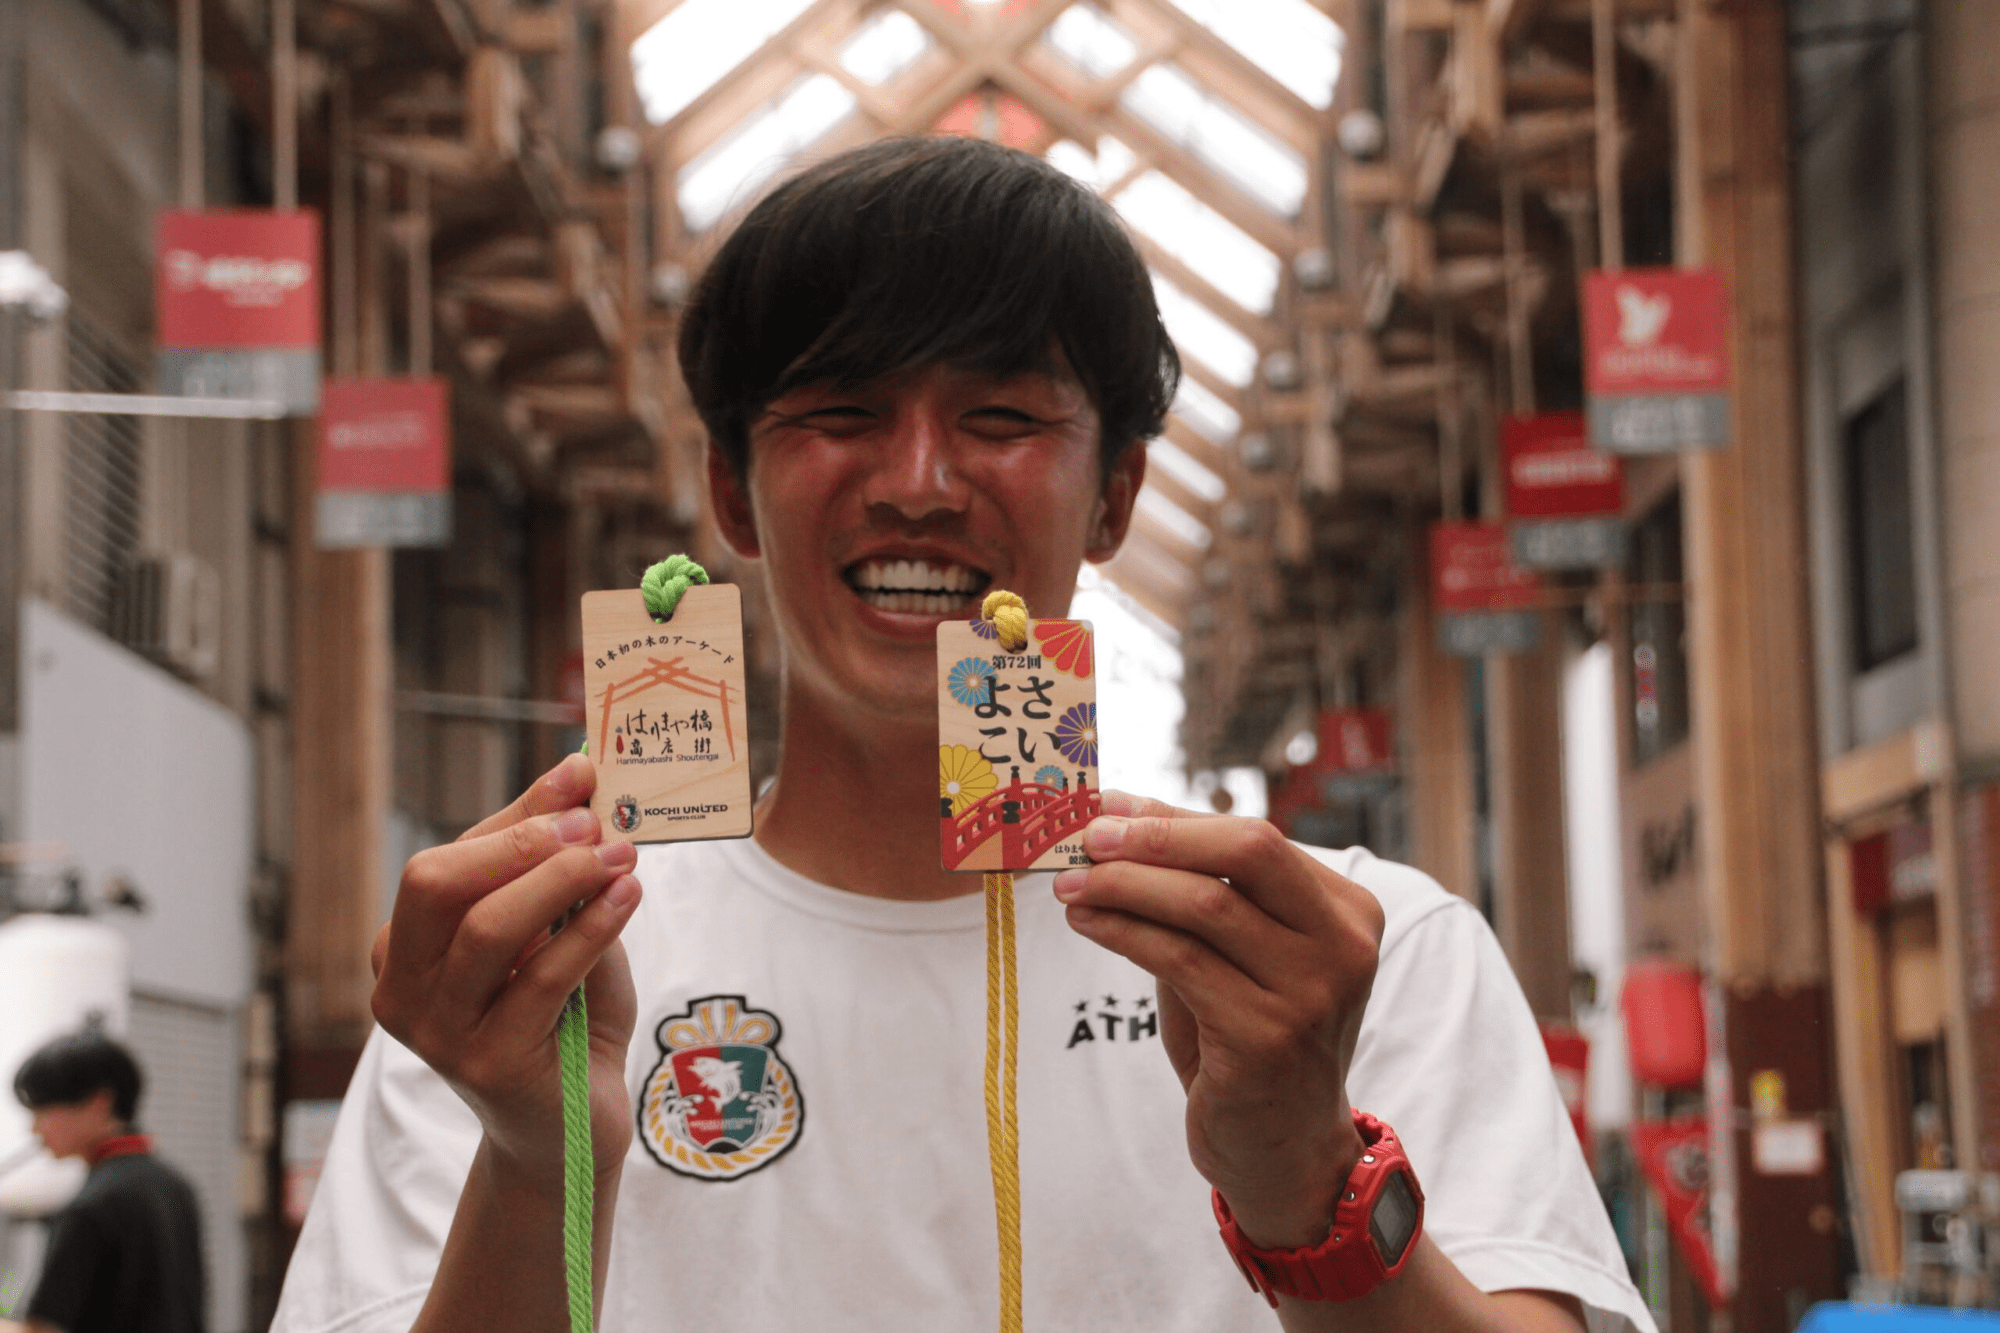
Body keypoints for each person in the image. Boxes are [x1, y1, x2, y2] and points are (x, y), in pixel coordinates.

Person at [272, 136, 1652, 1333]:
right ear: (733, 496)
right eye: (840, 412)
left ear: (1114, 497)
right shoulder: (536, 980)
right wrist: (537, 1164)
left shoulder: (1351, 953)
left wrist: (1306, 1172)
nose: (920, 483)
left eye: (1000, 417)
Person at [3, 1031, 204, 1333]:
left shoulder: (93, 1205)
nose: (35, 1128)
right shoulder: (175, 1186)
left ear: (99, 1103)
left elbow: (44, 1329)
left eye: (43, 1111)